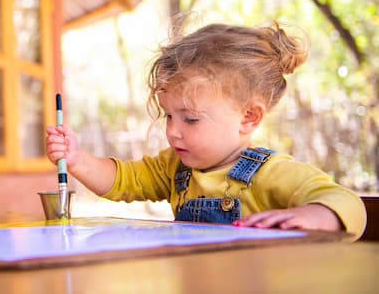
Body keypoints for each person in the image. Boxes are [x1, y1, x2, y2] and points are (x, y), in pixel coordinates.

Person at [46, 22, 367, 240]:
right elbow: (121, 181)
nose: (172, 131)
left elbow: (347, 202)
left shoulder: (271, 173)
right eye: (168, 115)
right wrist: (77, 159)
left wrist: (312, 217)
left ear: (249, 118)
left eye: (190, 119)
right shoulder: (174, 167)